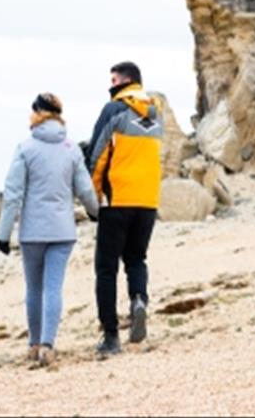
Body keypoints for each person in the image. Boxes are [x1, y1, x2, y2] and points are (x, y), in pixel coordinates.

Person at [0, 93, 99, 367]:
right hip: (63, 231)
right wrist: (95, 213)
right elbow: (85, 189)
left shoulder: (25, 148)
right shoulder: (71, 149)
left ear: (38, 113)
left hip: (32, 232)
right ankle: (48, 345)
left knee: (34, 288)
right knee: (53, 288)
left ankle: (33, 345)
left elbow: (13, 194)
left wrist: (3, 234)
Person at [86, 61, 163, 355]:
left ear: (126, 81)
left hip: (117, 199)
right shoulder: (156, 113)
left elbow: (97, 156)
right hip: (147, 201)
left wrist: (93, 201)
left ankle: (110, 337)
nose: (111, 85)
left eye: (114, 79)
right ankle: (139, 299)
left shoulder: (114, 110)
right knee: (136, 259)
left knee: (106, 269)